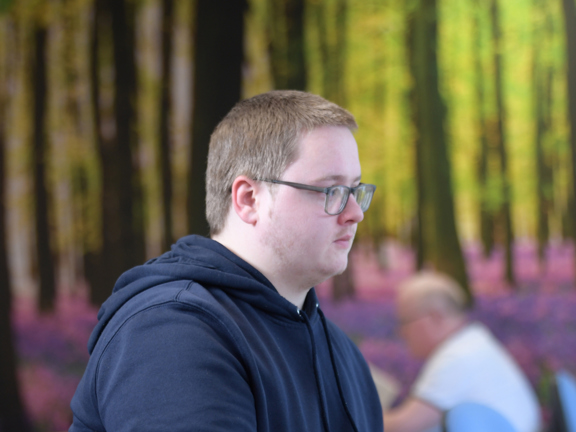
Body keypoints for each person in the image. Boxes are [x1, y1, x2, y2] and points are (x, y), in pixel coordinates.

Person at [69, 90, 383, 432]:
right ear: (248, 199)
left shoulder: (343, 355)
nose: (355, 213)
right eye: (332, 191)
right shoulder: (171, 333)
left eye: (355, 190)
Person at [383, 271, 542, 432]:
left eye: (404, 322)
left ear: (435, 317)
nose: (401, 332)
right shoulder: (471, 342)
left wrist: (366, 416)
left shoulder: (457, 357)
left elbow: (405, 426)